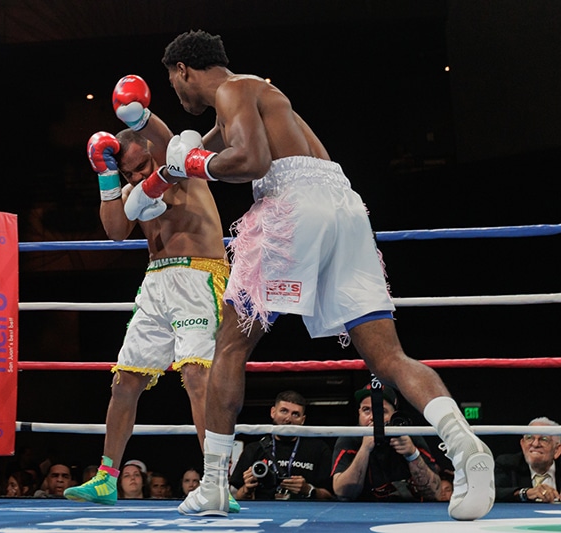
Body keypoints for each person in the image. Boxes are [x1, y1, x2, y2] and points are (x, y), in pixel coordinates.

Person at [120, 29, 494, 520]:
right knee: (387, 356)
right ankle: (463, 442)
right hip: (344, 208)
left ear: (183, 70)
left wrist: (190, 159)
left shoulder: (233, 90)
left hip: (292, 206)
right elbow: (188, 155)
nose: (179, 94)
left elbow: (245, 161)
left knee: (230, 347)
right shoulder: (251, 94)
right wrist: (167, 166)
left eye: (174, 84)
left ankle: (213, 485)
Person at [64, 76, 230, 509]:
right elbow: (117, 232)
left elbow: (160, 133)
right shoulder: (135, 186)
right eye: (128, 172)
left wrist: (136, 114)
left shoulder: (179, 163)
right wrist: (106, 177)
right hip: (156, 280)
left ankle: (217, 482)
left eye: (140, 167)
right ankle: (106, 478)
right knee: (124, 382)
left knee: (197, 376)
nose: (137, 176)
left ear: (155, 154)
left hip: (199, 273)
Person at [332, 384, 441, 502]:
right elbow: (341, 492)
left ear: (394, 414)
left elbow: (435, 492)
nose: (373, 417)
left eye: (381, 411)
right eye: (366, 410)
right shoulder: (350, 438)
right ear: (359, 412)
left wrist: (412, 454)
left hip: (409, 512)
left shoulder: (410, 436)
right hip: (363, 513)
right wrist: (365, 449)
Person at [230, 390, 334, 501]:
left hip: (305, 512)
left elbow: (331, 495)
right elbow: (234, 496)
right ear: (273, 412)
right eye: (284, 411)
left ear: (303, 420)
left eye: (295, 414)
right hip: (262, 511)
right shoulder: (253, 449)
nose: (288, 419)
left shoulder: (319, 449)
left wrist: (309, 490)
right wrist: (247, 489)